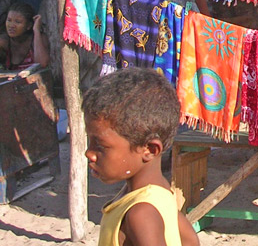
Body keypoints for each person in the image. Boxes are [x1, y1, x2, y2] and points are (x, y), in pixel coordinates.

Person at [82, 68, 199, 246]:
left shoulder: (141, 214)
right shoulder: (159, 191)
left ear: (150, 150)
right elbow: (190, 241)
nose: (89, 153)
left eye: (100, 146)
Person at [0, 2, 50, 71]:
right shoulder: (4, 41)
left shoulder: (38, 39)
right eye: (9, 20)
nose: (11, 25)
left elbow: (42, 64)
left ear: (28, 26)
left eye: (18, 22)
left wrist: (36, 30)